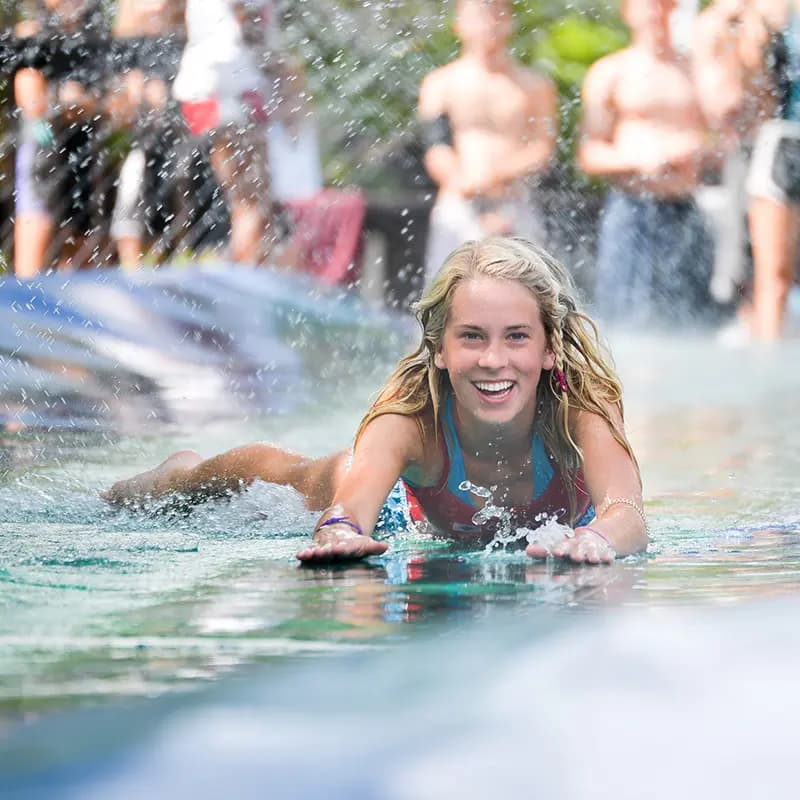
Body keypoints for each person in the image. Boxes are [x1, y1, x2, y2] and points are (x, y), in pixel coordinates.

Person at [104, 237, 648, 565]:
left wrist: (595, 539)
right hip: (397, 507)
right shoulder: (412, 418)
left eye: (517, 337)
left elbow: (626, 513)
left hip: (538, 520)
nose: (494, 360)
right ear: (437, 349)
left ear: (550, 348)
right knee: (294, 474)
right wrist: (339, 532)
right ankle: (180, 474)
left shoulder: (581, 407)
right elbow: (350, 511)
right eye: (472, 337)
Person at [578, 0, 716, 325]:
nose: (656, 10)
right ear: (628, 10)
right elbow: (589, 154)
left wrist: (694, 150)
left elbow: (725, 142)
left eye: (665, 3)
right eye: (648, 3)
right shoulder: (610, 72)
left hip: (684, 209)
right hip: (631, 209)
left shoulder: (696, 71)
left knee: (690, 321)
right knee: (624, 319)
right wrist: (639, 160)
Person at [418, 0, 557, 283]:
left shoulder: (533, 85)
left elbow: (542, 149)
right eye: (479, 15)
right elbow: (436, 148)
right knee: (449, 297)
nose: (488, 24)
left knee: (525, 295)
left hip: (514, 203)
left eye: (497, 14)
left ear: (510, 22)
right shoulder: (441, 83)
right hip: (459, 202)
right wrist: (467, 185)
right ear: (459, 24)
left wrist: (495, 175)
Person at [172, 0, 281, 266]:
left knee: (244, 199)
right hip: (228, 92)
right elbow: (245, 25)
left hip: (211, 92)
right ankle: (244, 275)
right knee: (250, 200)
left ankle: (242, 270)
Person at [744, 0, 800, 340]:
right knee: (774, 277)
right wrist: (759, 24)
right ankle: (767, 368)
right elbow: (751, 75)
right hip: (784, 142)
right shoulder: (771, 8)